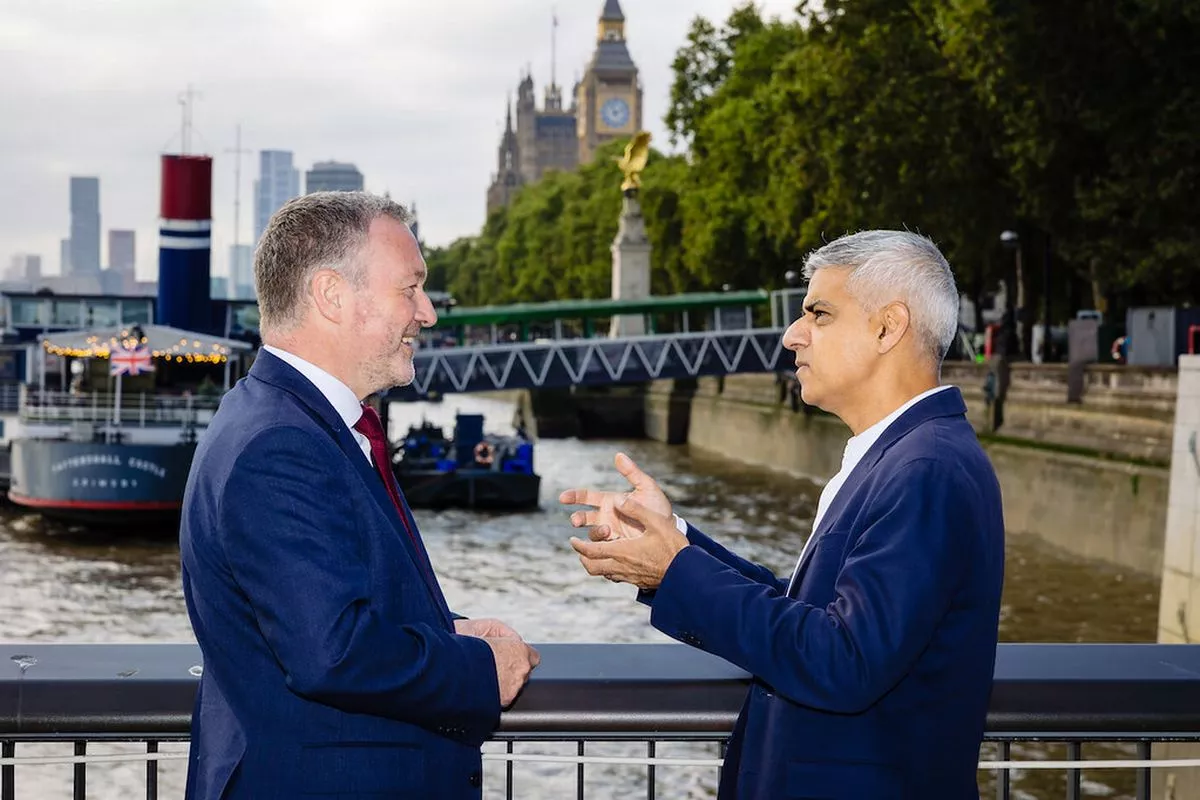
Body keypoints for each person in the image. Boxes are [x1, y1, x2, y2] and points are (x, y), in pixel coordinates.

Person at [562, 230, 1005, 799]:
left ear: (888, 327)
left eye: (819, 314)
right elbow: (810, 614)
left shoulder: (927, 469)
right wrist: (673, 540)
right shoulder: (907, 456)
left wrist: (675, 570)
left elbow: (845, 660)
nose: (792, 335)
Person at [180, 192, 540, 799]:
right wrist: (481, 669)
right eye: (410, 288)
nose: (427, 313)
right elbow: (331, 652)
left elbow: (322, 605)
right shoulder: (280, 446)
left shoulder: (282, 419)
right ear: (331, 295)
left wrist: (445, 629)